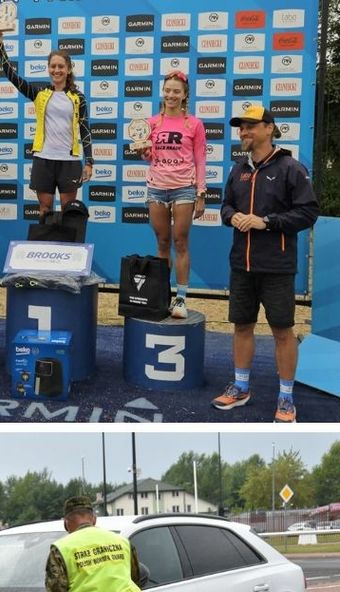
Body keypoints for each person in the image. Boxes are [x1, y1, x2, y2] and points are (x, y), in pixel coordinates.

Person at [213, 105, 320, 423]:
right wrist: (233, 216)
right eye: (240, 127)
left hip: (277, 266)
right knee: (242, 326)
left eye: (249, 126)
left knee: (282, 332)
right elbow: (225, 207)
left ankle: (286, 397)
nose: (243, 132)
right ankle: (241, 387)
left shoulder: (291, 168)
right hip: (241, 264)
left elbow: (308, 213)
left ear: (269, 128)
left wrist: (266, 222)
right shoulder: (237, 168)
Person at [0, 26, 93, 216]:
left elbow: (85, 129)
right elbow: (10, 75)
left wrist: (89, 162)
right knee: (45, 210)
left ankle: (66, 246)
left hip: (69, 161)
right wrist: (0, 45)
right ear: (48, 68)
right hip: (43, 159)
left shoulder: (78, 97)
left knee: (68, 211)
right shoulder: (39, 93)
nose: (56, 70)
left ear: (69, 69)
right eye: (53, 66)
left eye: (61, 66)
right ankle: (45, 246)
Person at [137, 71, 206, 320]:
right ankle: (162, 296)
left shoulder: (194, 124)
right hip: (157, 187)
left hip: (184, 187)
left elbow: (200, 158)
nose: (171, 95)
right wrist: (143, 152)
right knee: (163, 243)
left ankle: (181, 298)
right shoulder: (152, 122)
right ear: (162, 92)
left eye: (176, 91)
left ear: (185, 95)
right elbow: (148, 156)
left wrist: (201, 192)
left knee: (181, 242)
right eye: (168, 90)